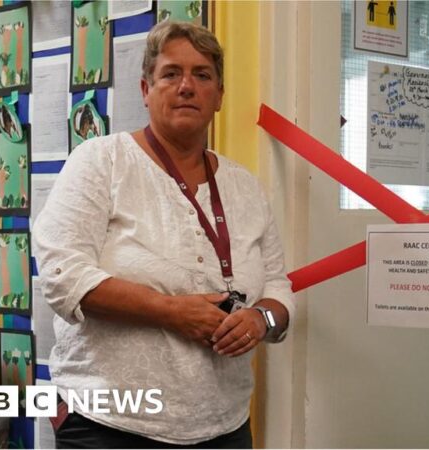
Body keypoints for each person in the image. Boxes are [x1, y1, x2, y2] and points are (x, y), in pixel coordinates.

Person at [32, 21, 294, 449]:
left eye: (202, 75)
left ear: (220, 96)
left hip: (223, 426)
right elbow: (64, 277)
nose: (187, 86)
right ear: (145, 89)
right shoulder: (101, 162)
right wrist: (170, 311)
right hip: (111, 425)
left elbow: (277, 284)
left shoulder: (245, 186)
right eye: (171, 73)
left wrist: (260, 319)